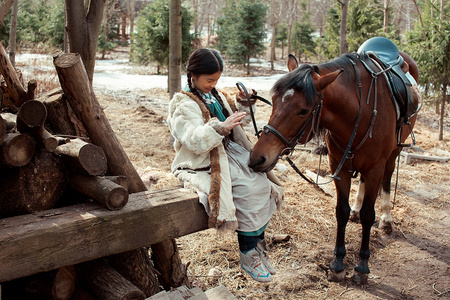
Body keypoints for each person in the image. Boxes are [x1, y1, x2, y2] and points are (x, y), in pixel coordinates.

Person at [167, 48, 284, 282]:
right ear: (193, 75)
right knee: (249, 190)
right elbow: (193, 139)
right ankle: (247, 254)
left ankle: (257, 246)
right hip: (206, 159)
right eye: (209, 80)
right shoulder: (183, 104)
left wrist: (243, 102)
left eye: (217, 80)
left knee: (263, 183)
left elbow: (234, 119)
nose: (214, 84)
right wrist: (220, 128)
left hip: (231, 152)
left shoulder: (216, 96)